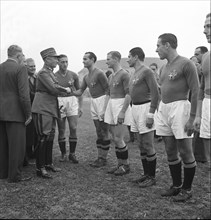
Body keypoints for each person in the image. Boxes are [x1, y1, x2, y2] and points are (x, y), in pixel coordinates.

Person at [155, 33, 199, 202]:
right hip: (165, 109)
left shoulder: (186, 64)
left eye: (158, 45)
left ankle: (187, 190)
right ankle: (176, 186)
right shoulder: (164, 67)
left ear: (167, 45)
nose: (156, 49)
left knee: (186, 151)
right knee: (170, 151)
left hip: (181, 107)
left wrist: (192, 117)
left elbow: (195, 90)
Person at [32, 47, 72, 179]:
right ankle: (40, 167)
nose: (57, 60)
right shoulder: (43, 73)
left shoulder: (49, 72)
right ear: (46, 59)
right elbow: (52, 88)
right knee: (42, 137)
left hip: (50, 107)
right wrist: (65, 89)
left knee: (49, 137)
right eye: (54, 58)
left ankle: (48, 163)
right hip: (43, 107)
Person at [71, 52, 111, 168]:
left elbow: (108, 90)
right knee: (98, 131)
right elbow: (80, 92)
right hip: (94, 102)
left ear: (92, 59)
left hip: (102, 100)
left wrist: (104, 107)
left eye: (85, 59)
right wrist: (67, 91)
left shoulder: (99, 73)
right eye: (83, 59)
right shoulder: (86, 77)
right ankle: (100, 157)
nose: (83, 61)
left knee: (104, 131)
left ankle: (103, 158)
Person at [127, 47, 159, 187]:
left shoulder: (147, 71)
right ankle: (146, 174)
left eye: (129, 56)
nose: (127, 59)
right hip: (135, 108)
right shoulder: (134, 73)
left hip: (145, 108)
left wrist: (151, 113)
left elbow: (155, 93)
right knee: (140, 144)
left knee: (148, 144)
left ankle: (152, 177)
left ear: (135, 57)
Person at [0, 45, 32, 183]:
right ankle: (14, 176)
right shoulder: (20, 68)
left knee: (2, 145)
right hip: (16, 113)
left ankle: (3, 173)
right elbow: (24, 95)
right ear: (18, 56)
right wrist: (28, 113)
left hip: (1, 112)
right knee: (17, 147)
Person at [104, 51, 131, 176]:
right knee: (114, 138)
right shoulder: (111, 76)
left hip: (120, 105)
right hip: (111, 105)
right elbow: (108, 94)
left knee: (119, 138)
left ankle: (125, 165)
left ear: (116, 59)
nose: (106, 61)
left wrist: (123, 111)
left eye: (108, 59)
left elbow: (128, 94)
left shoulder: (124, 74)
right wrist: (105, 109)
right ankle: (119, 164)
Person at [55, 54, 83, 163]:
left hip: (72, 100)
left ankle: (72, 153)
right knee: (61, 130)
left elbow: (79, 91)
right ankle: (63, 154)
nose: (65, 64)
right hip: (60, 101)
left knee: (73, 128)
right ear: (58, 63)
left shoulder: (73, 75)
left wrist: (80, 106)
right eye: (62, 62)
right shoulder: (54, 76)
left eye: (66, 61)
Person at [194, 13, 211, 168]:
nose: (205, 31)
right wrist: (198, 115)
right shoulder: (205, 58)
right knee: (206, 137)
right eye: (205, 27)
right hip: (207, 102)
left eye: (209, 26)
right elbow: (201, 88)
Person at [23, 58, 38, 166]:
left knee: (37, 132)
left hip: (37, 108)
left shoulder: (38, 78)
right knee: (28, 132)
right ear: (26, 67)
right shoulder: (23, 79)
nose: (33, 68)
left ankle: (35, 153)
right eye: (31, 66)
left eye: (34, 66)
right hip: (28, 109)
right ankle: (28, 153)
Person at [149, 62, 162, 142]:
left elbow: (162, 87)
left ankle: (159, 134)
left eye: (153, 69)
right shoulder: (148, 77)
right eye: (151, 69)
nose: (152, 71)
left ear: (156, 69)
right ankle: (154, 133)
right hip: (150, 99)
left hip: (159, 98)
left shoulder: (159, 77)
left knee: (159, 115)